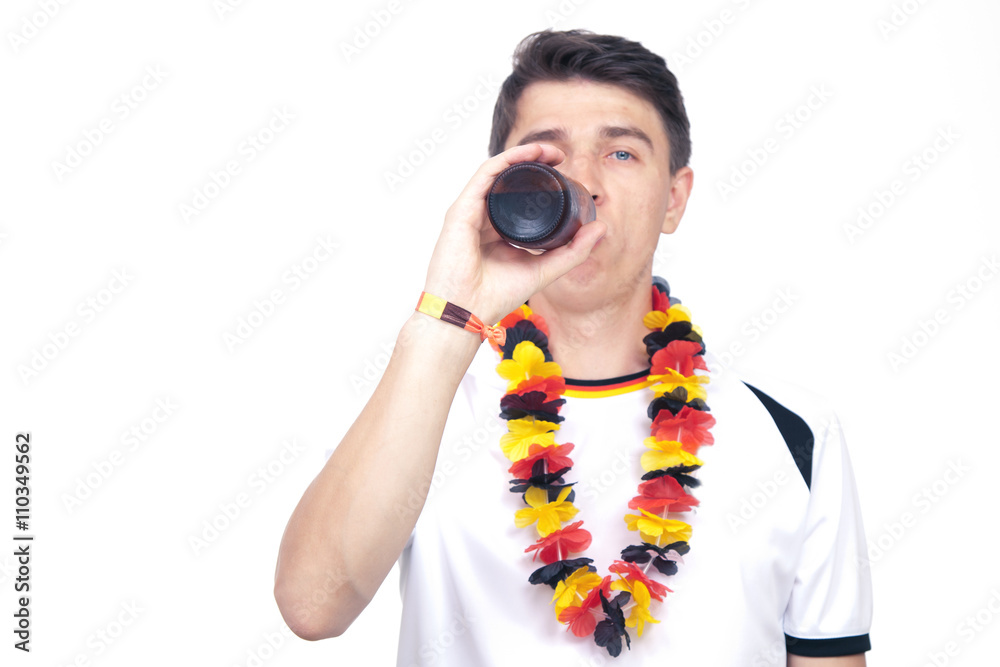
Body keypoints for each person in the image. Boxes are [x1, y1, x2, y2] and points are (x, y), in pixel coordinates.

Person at [273, 29, 873, 665]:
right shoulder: (422, 408)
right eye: (547, 157)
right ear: (502, 187)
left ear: (674, 199)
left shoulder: (794, 429)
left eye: (620, 153)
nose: (583, 184)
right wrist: (451, 315)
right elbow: (313, 607)